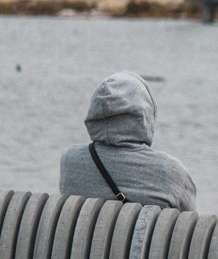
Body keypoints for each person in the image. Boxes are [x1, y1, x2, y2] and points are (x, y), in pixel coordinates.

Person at [59, 71, 197, 211]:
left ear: (94, 112)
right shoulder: (171, 172)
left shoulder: (70, 161)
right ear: (145, 115)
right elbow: (190, 225)